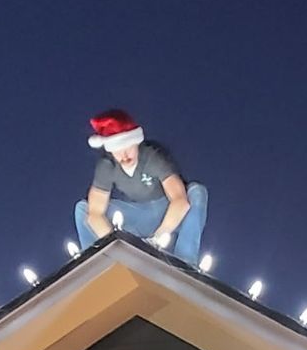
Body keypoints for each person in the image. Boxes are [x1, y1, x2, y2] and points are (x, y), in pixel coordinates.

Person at [75, 109, 210, 266]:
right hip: (135, 218)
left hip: (165, 213)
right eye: (118, 152)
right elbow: (95, 214)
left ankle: (185, 262)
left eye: (128, 148)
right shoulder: (107, 166)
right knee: (83, 209)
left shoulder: (152, 156)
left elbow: (180, 201)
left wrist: (157, 239)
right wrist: (117, 244)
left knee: (197, 192)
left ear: (136, 143)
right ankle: (96, 266)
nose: (124, 156)